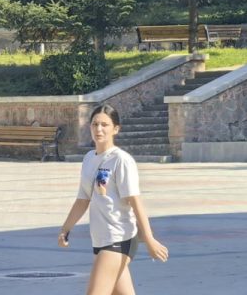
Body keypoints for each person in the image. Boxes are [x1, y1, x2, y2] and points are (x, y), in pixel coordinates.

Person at [58, 104, 168, 295]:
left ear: (115, 129)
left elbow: (135, 202)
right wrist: (65, 229)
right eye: (95, 124)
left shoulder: (121, 160)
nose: (99, 129)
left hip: (119, 238)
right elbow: (83, 199)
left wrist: (149, 239)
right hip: (100, 239)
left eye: (105, 125)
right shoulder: (89, 158)